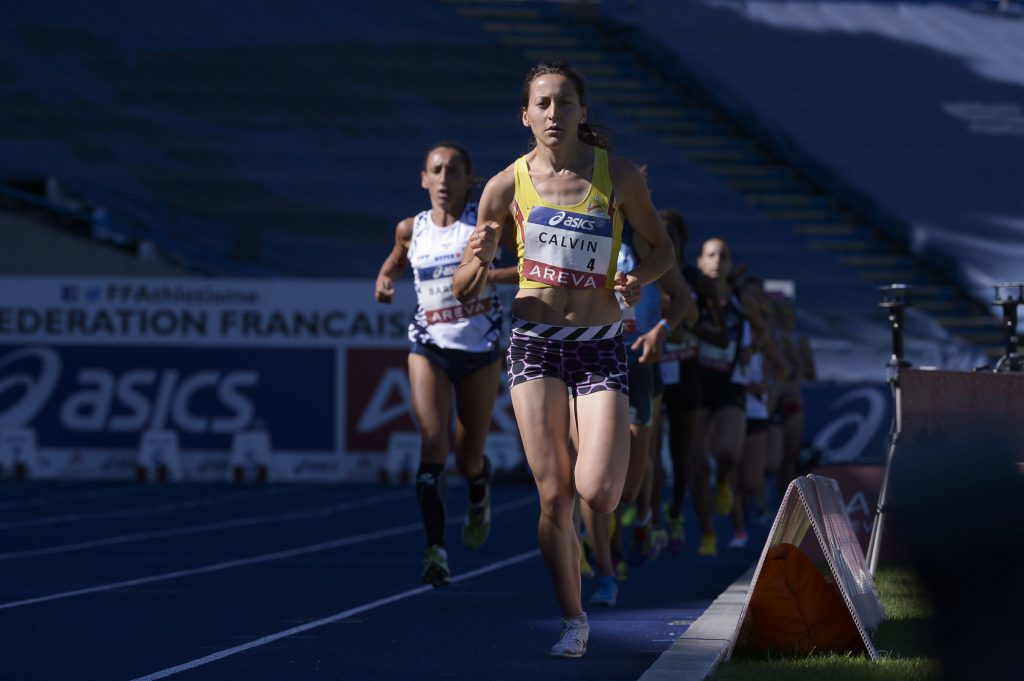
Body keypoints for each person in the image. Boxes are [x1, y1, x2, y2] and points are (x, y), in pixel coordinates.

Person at [453, 61, 674, 658]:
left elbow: (662, 249)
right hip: (535, 342)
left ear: (582, 111)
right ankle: (574, 620)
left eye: (565, 102)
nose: (554, 113)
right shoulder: (503, 186)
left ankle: (601, 539)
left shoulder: (616, 175)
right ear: (525, 115)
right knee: (554, 496)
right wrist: (481, 257)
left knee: (599, 493)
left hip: (599, 344)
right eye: (543, 104)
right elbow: (464, 289)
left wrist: (638, 279)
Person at [374, 142, 515, 587]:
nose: (443, 179)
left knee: (467, 457)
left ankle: (478, 487)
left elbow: (532, 265)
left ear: (470, 179)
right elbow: (395, 262)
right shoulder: (410, 229)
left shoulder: (486, 225)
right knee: (433, 441)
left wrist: (487, 273)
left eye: (453, 171)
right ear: (423, 178)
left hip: (479, 349)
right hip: (429, 345)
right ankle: (435, 550)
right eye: (435, 170)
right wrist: (384, 279)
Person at [658, 210, 727, 555]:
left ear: (683, 240)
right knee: (646, 451)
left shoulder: (698, 281)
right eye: (659, 233)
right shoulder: (642, 273)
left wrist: (688, 327)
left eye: (672, 234)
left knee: (682, 453)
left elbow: (723, 336)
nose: (665, 240)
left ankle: (674, 511)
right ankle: (648, 518)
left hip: (686, 370)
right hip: (652, 367)